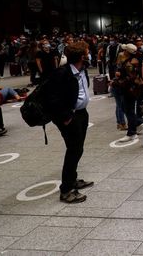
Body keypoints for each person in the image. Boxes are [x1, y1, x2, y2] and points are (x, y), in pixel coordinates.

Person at [44, 41, 94, 203]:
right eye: (87, 53)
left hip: (82, 113)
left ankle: (72, 180)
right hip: (70, 117)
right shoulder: (62, 73)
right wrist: (66, 117)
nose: (89, 55)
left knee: (77, 149)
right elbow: (51, 99)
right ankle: (66, 190)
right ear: (81, 56)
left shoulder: (81, 70)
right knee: (73, 151)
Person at [116, 44, 143, 142]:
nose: (123, 52)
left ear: (127, 52)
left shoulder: (130, 63)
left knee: (129, 109)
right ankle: (137, 122)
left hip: (130, 90)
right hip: (132, 89)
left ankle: (132, 133)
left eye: (125, 50)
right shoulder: (133, 60)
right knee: (125, 108)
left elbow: (130, 78)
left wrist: (117, 81)